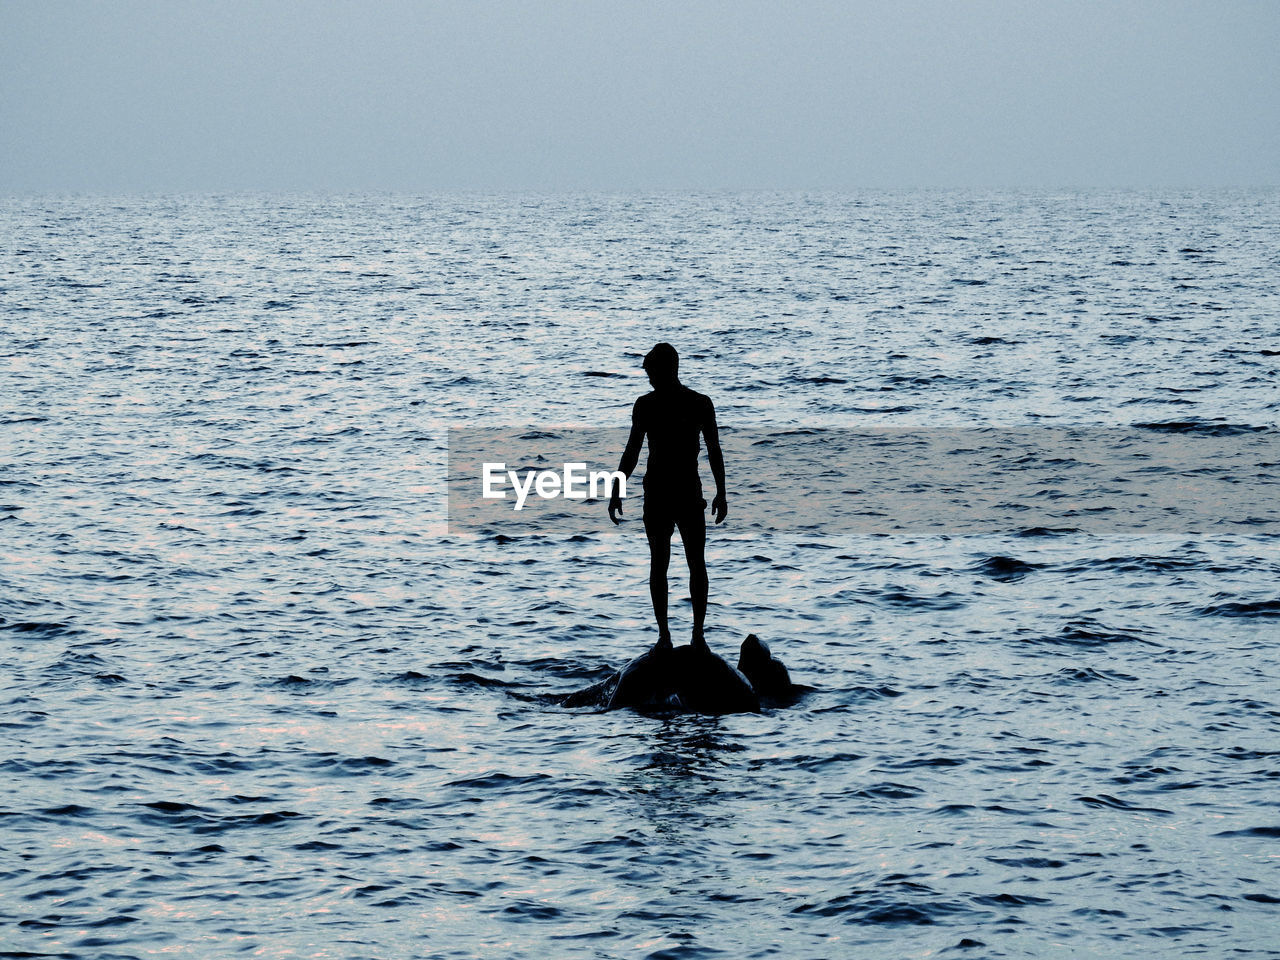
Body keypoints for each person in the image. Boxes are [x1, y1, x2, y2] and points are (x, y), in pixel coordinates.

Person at [608, 343, 727, 655]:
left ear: (666, 370)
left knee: (689, 563)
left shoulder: (696, 404)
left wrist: (722, 492)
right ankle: (668, 636)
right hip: (665, 493)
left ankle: (694, 635)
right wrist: (617, 487)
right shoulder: (669, 404)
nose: (648, 379)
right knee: (665, 564)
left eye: (651, 373)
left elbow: (714, 450)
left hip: (683, 493)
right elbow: (631, 451)